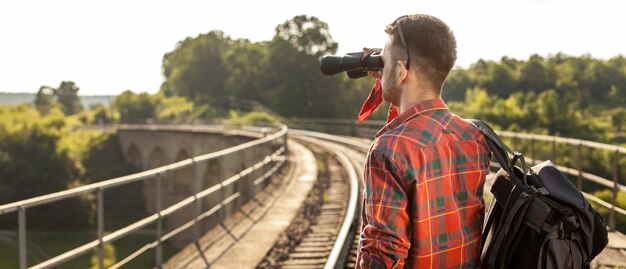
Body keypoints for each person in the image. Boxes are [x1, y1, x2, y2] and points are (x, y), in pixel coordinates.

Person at [355, 14, 491, 268]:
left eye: (384, 64)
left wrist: (391, 74)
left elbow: (383, 255)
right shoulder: (472, 136)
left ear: (400, 70)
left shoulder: (389, 151)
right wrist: (392, 70)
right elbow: (415, 125)